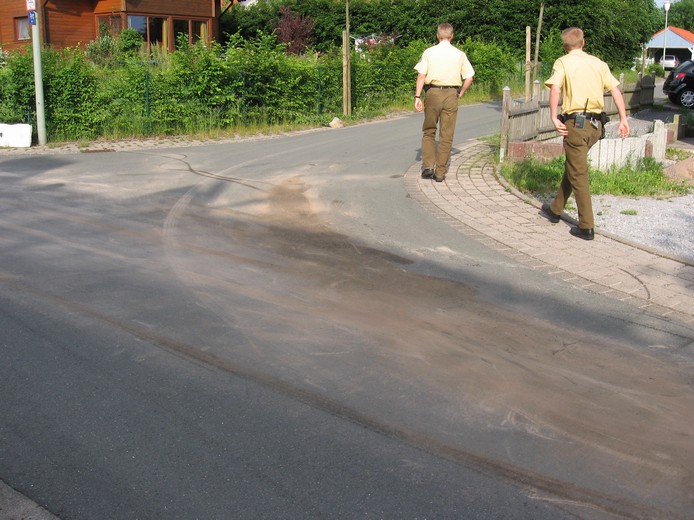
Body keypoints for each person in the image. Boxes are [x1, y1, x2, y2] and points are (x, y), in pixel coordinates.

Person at [541, 27, 630, 240]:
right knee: (574, 165)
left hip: (576, 125)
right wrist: (624, 119)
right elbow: (615, 90)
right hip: (595, 127)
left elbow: (555, 89)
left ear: (565, 46)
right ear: (583, 42)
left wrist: (554, 117)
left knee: (578, 173)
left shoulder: (563, 62)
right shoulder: (599, 63)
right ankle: (555, 210)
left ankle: (586, 226)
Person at [414, 23, 475, 182]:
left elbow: (421, 75)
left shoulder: (429, 52)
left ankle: (427, 167)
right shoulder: (459, 54)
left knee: (429, 130)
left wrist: (417, 97)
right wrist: (460, 92)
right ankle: (440, 173)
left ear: (437, 35)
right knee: (446, 134)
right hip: (451, 94)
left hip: (432, 93)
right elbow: (469, 77)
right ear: (452, 36)